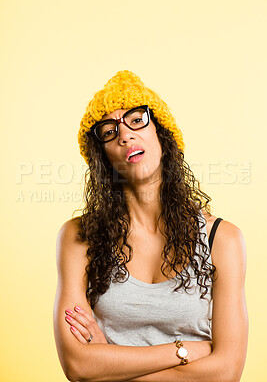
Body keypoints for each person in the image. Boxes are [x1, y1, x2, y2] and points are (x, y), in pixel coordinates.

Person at [53, 70, 248, 382]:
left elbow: (226, 372)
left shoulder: (222, 239)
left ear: (161, 132)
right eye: (108, 130)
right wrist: (185, 350)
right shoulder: (79, 238)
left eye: (136, 119)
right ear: (103, 156)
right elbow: (78, 366)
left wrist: (109, 363)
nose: (125, 135)